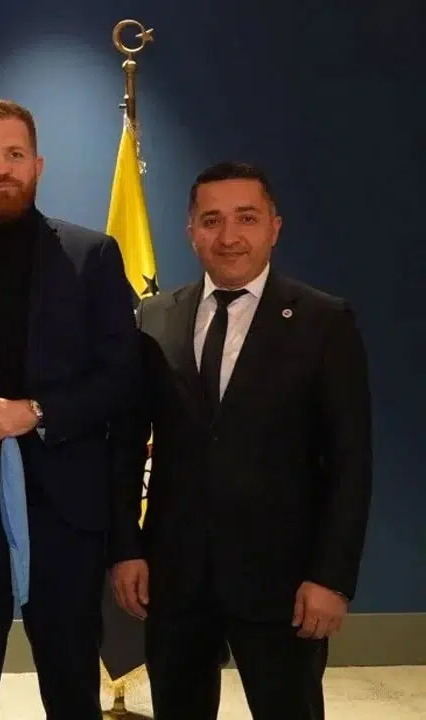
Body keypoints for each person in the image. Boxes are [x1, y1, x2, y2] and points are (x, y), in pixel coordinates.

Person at [109, 161, 372, 720]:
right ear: (191, 232)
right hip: (175, 580)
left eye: (246, 218)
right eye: (212, 220)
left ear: (274, 226)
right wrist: (126, 548)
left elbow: (351, 463)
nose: (228, 236)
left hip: (283, 584)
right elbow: (127, 445)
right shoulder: (154, 317)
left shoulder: (323, 321)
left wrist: (332, 578)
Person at [0, 99, 138, 719]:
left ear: (38, 164)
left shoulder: (93, 255)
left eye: (14, 154)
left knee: (70, 685)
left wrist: (36, 410)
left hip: (63, 509)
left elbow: (122, 379)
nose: (1, 168)